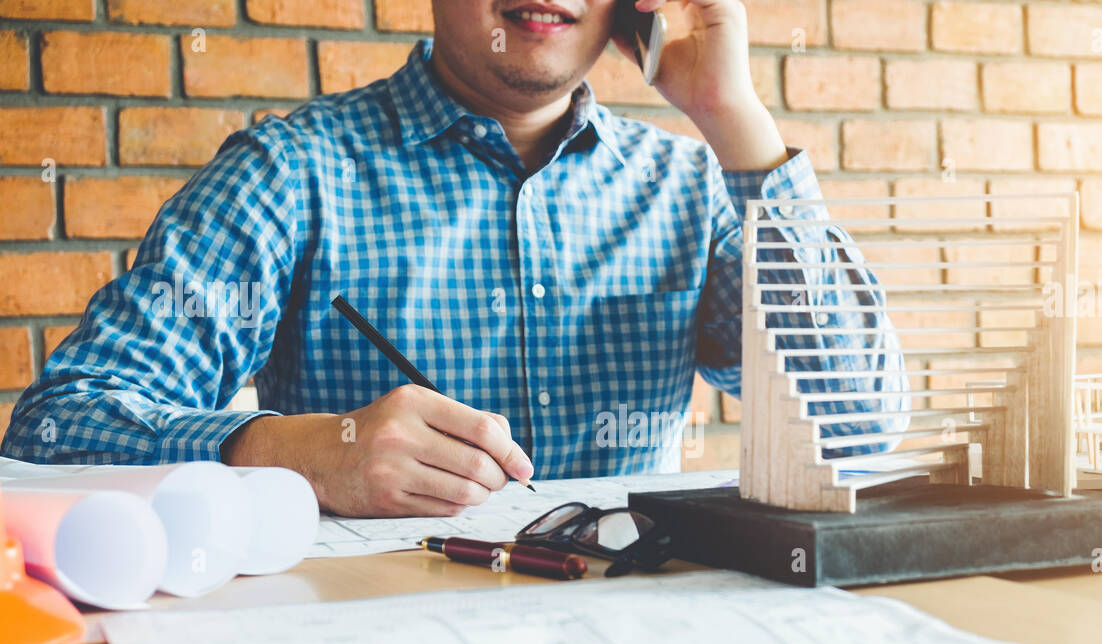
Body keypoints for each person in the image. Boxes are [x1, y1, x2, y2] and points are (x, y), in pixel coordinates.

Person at [3, 0, 904, 516]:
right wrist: (297, 451)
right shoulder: (292, 172)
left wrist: (734, 116)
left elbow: (855, 435)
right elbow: (52, 434)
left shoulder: (691, 181)